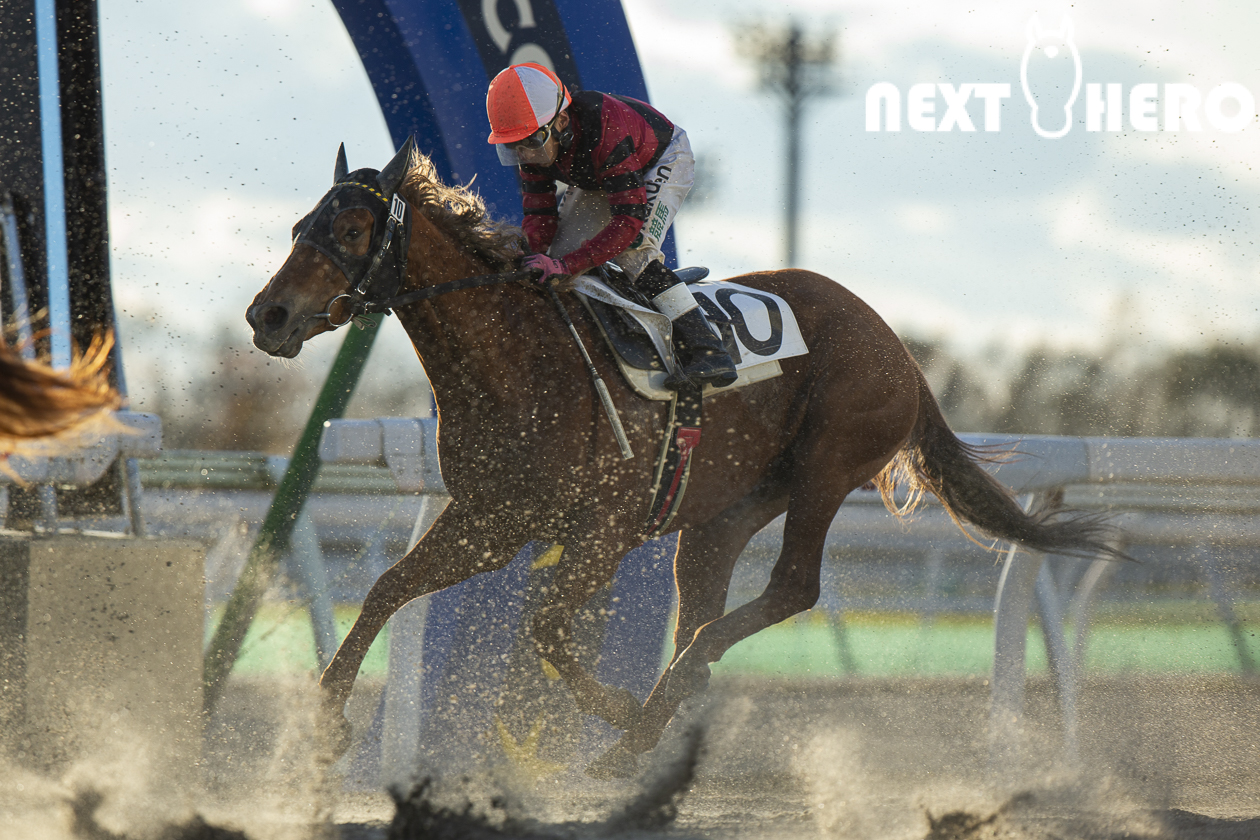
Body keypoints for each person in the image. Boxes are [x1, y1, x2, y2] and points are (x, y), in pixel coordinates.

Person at [485, 62, 737, 390]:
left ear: (561, 121)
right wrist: (531, 254)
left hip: (662, 159)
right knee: (557, 260)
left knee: (634, 252)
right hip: (602, 175)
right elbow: (540, 216)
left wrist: (567, 265)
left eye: (531, 142)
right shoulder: (536, 144)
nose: (524, 153)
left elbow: (628, 222)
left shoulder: (605, 129)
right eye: (513, 146)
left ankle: (708, 349)